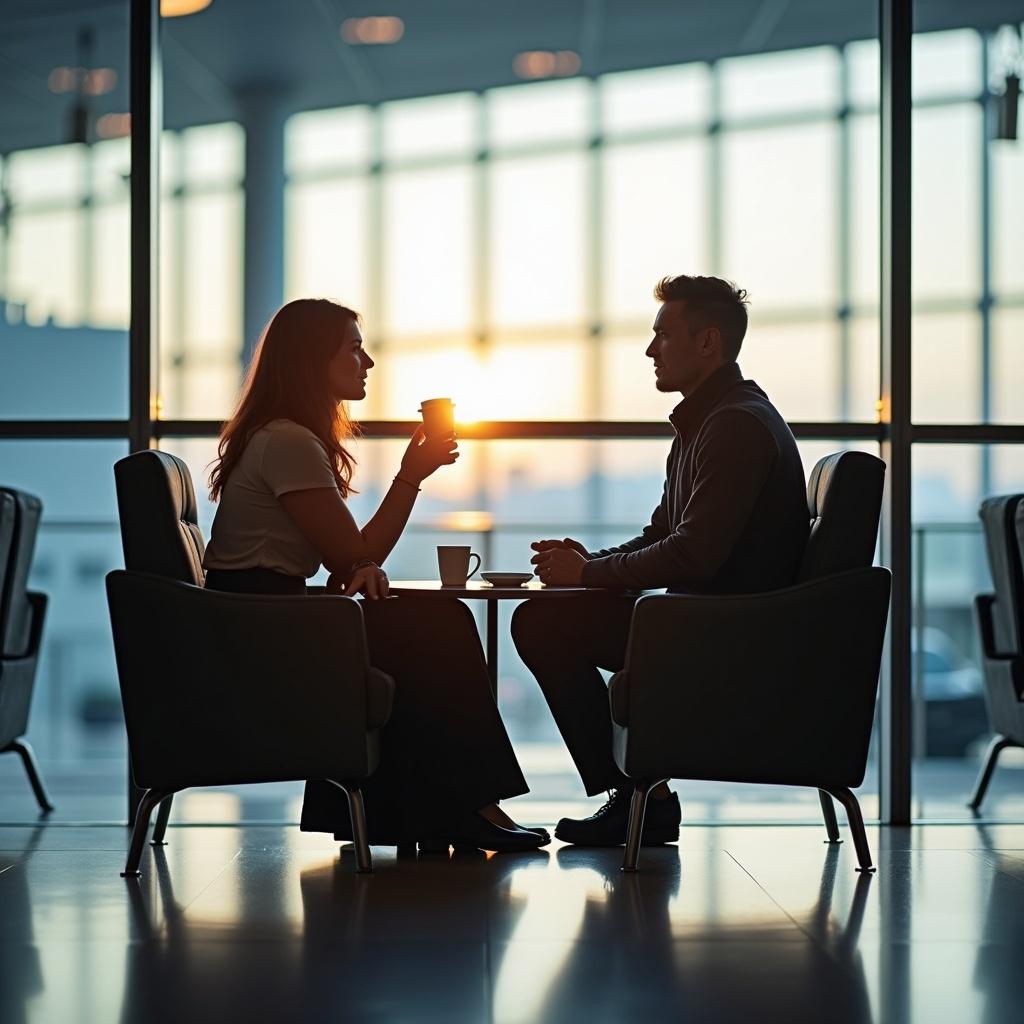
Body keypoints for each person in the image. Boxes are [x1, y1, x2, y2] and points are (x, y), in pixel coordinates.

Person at [203, 297, 546, 852]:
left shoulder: (282, 436)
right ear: (314, 360)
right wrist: (411, 475)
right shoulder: (288, 440)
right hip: (264, 630)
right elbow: (356, 554)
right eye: (354, 349)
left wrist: (357, 565)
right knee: (440, 624)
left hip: (263, 617)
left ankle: (443, 811)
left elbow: (351, 559)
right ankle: (471, 806)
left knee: (426, 624)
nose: (368, 363)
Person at [511, 275, 809, 847]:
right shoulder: (711, 421)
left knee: (540, 624)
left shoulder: (735, 426)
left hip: (725, 633)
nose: (650, 350)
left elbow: (693, 555)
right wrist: (586, 563)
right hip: (707, 621)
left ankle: (636, 800)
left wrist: (589, 575)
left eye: (662, 335)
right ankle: (640, 798)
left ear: (707, 343)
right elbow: (660, 535)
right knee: (550, 617)